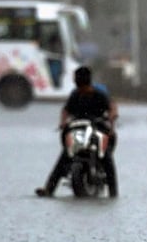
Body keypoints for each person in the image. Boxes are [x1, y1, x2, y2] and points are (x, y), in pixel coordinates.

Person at [35, 66, 118, 197]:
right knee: (65, 156)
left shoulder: (99, 95)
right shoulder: (75, 95)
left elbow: (112, 107)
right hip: (78, 130)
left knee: (106, 157)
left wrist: (112, 118)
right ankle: (49, 189)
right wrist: (63, 122)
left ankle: (113, 192)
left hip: (97, 129)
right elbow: (65, 110)